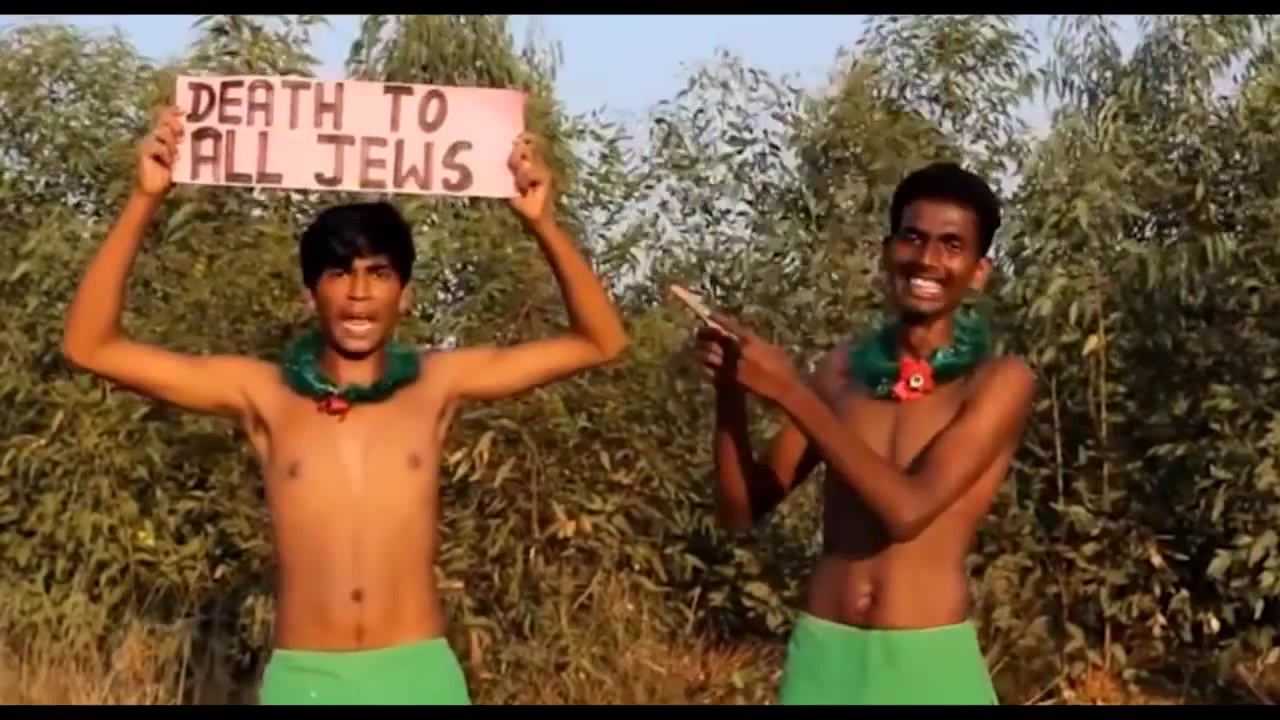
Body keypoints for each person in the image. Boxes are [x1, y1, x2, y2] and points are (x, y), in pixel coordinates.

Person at [61, 107, 628, 705]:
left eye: (378, 274)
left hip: (418, 676)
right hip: (308, 680)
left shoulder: (436, 384)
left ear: (404, 294)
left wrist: (542, 223)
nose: (359, 293)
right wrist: (144, 198)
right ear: (311, 293)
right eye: (339, 273)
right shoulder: (266, 395)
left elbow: (601, 341)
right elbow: (88, 346)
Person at [693, 162, 1035, 705]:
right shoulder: (839, 371)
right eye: (912, 238)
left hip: (929, 663)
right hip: (825, 658)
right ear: (886, 251)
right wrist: (731, 391)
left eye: (951, 245)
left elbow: (908, 510)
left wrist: (788, 391)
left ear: (978, 272)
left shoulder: (998, 381)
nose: (927, 259)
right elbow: (740, 511)